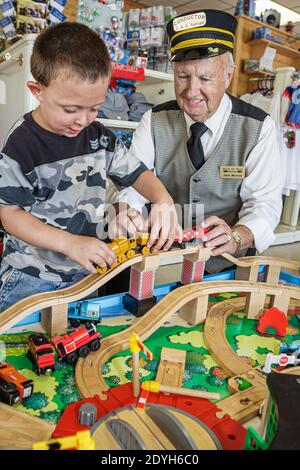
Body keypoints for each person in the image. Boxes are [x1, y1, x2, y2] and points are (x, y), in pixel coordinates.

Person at [0, 22, 181, 312]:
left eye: (95, 108)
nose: (83, 120)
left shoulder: (99, 137)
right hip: (31, 277)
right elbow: (9, 214)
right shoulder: (22, 143)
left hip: (85, 274)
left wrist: (163, 199)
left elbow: (138, 174)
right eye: (70, 109)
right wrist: (70, 243)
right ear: (38, 90)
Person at [115, 9, 283, 274]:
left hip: (229, 266)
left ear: (228, 75)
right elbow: (133, 183)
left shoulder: (259, 127)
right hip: (165, 264)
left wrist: (237, 236)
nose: (191, 91)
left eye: (205, 78)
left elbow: (264, 204)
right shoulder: (154, 119)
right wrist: (127, 211)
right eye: (182, 77)